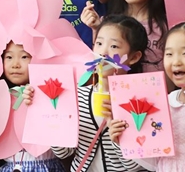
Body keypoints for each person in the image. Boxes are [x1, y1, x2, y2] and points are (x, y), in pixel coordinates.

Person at [28, 15, 146, 171]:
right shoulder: (77, 95)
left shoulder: (140, 101)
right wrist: (48, 109)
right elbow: (64, 152)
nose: (103, 52)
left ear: (134, 57)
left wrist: (119, 140)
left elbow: (135, 167)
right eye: (99, 43)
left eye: (114, 46)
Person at [111, 22, 185, 171]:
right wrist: (123, 139)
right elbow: (155, 161)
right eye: (169, 54)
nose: (176, 61)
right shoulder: (166, 101)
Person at [0, 41, 66, 172]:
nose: (15, 64)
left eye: (24, 57)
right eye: (9, 57)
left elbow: (66, 149)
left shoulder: (53, 95)